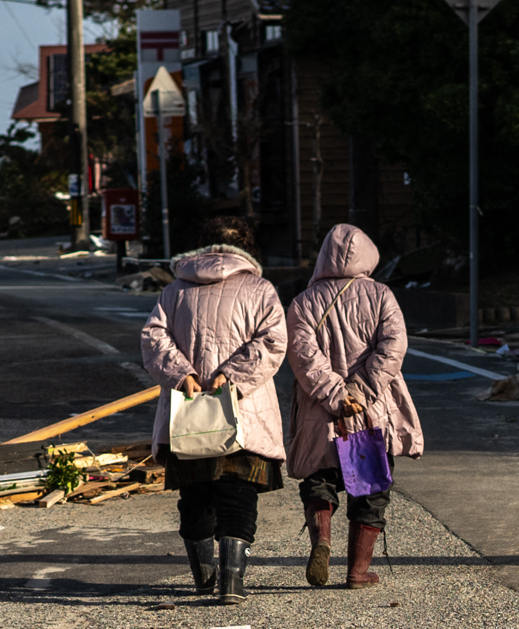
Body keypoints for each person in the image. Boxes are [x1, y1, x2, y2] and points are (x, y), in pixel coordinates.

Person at [138, 217, 286, 600]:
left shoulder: (174, 292)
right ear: (246, 248)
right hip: (243, 411)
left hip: (189, 413)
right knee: (238, 491)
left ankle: (203, 578)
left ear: (201, 246)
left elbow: (153, 337)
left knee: (195, 493)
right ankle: (232, 581)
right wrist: (232, 376)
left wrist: (182, 374)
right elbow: (273, 341)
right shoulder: (260, 289)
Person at [283, 222, 421, 589]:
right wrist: (358, 394)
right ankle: (358, 572)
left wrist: (333, 393)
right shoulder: (381, 296)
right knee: (372, 487)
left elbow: (302, 355)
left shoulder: (303, 302)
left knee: (319, 479)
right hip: (370, 409)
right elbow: (393, 348)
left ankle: (322, 541)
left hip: (319, 409)